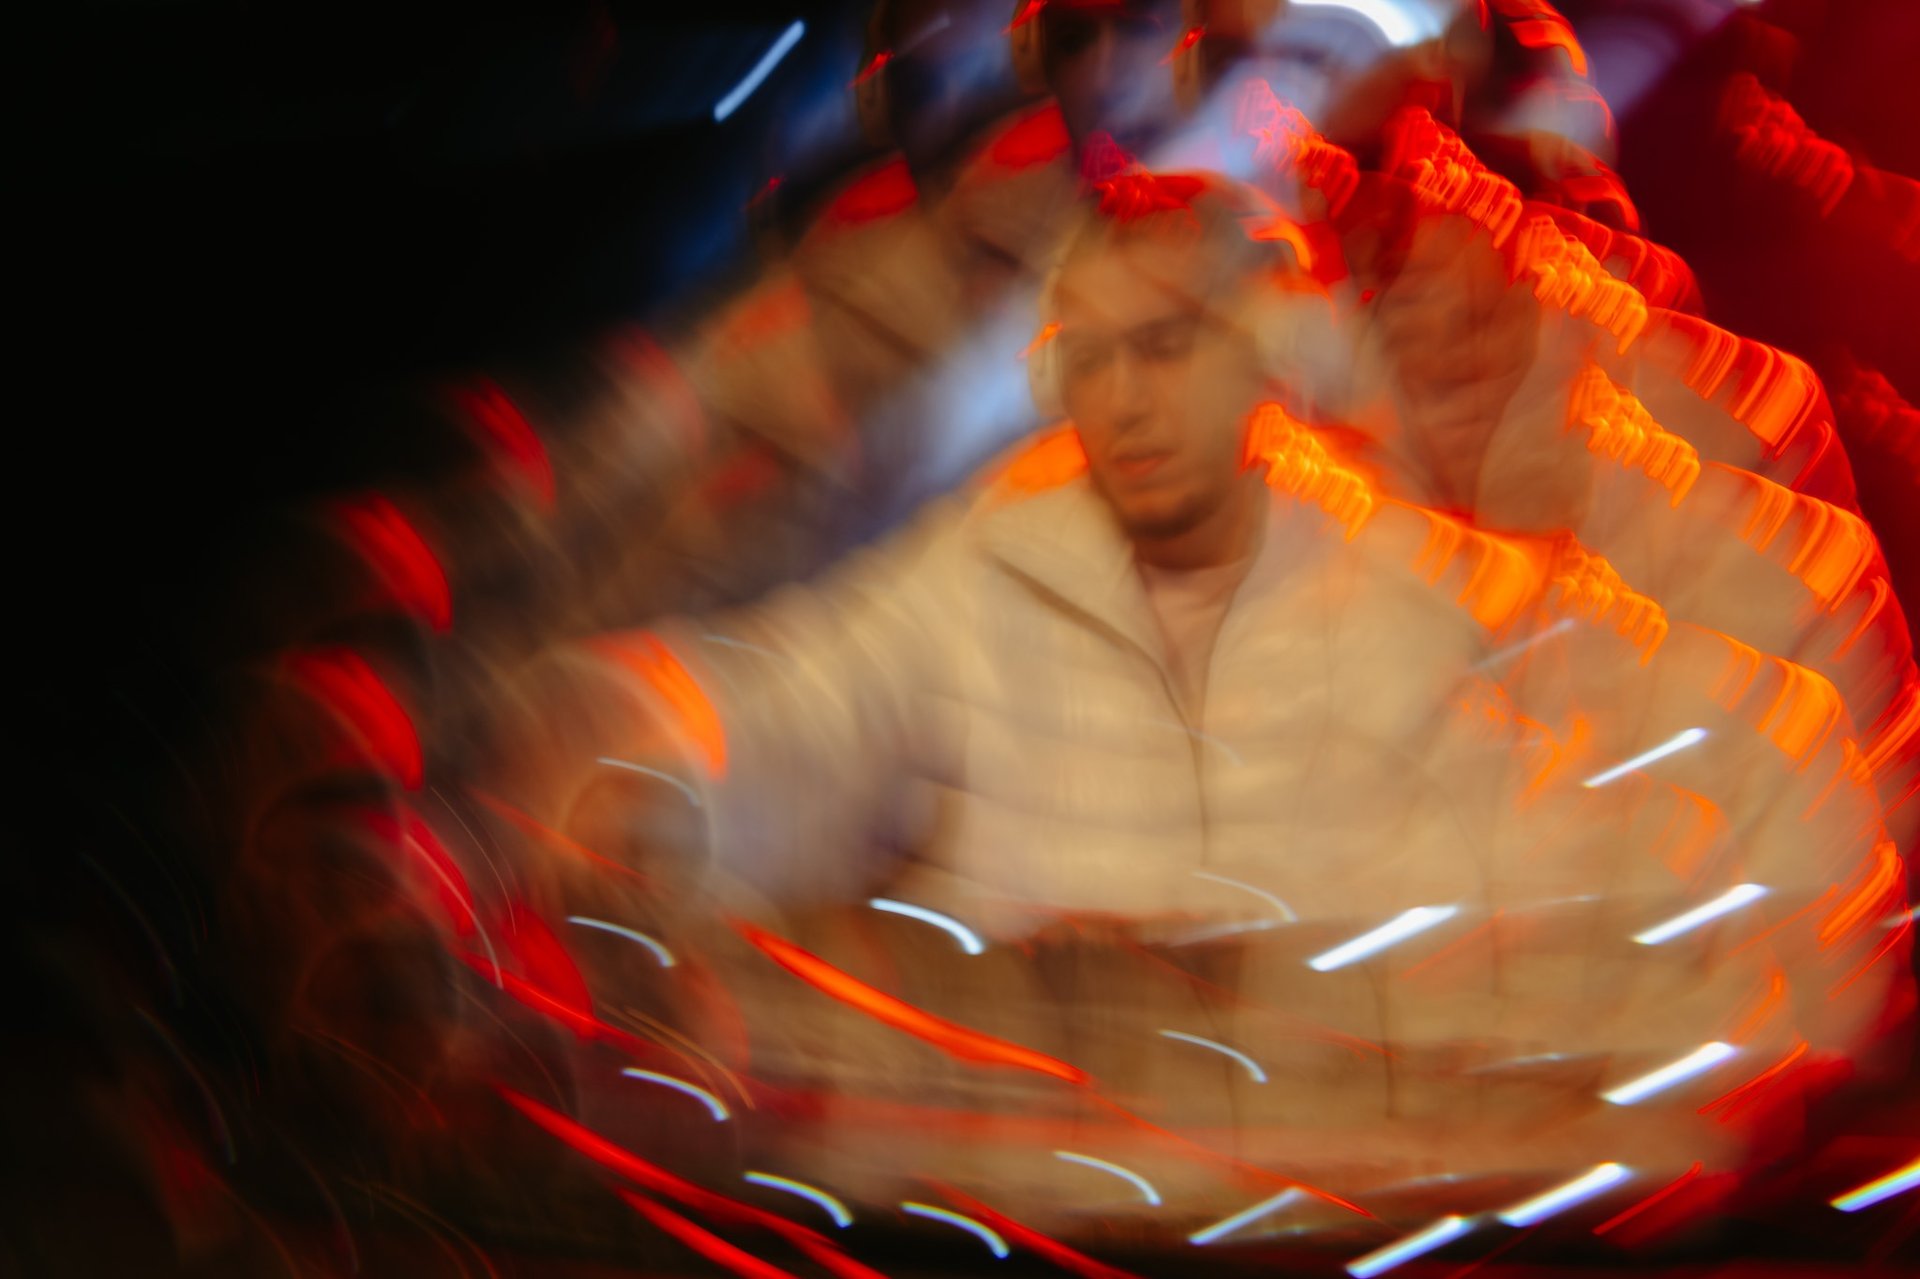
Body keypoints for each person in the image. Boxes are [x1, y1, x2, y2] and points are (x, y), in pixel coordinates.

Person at [494, 167, 1909, 1240]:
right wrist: (650, 749)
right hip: (1013, 1209)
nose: (1123, 399)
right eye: (1091, 355)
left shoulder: (1423, 598)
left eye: (1166, 346)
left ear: (1263, 359)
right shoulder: (996, 556)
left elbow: (1699, 787)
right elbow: (804, 699)